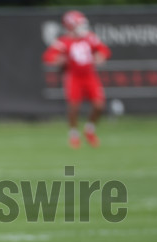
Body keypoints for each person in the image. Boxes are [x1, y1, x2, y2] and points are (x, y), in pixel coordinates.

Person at [43, 10, 111, 149]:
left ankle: (89, 130)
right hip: (73, 76)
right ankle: (74, 134)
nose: (82, 27)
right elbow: (48, 57)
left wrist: (100, 56)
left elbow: (104, 50)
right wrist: (59, 60)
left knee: (99, 105)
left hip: (90, 75)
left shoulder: (89, 38)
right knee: (74, 106)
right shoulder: (63, 41)